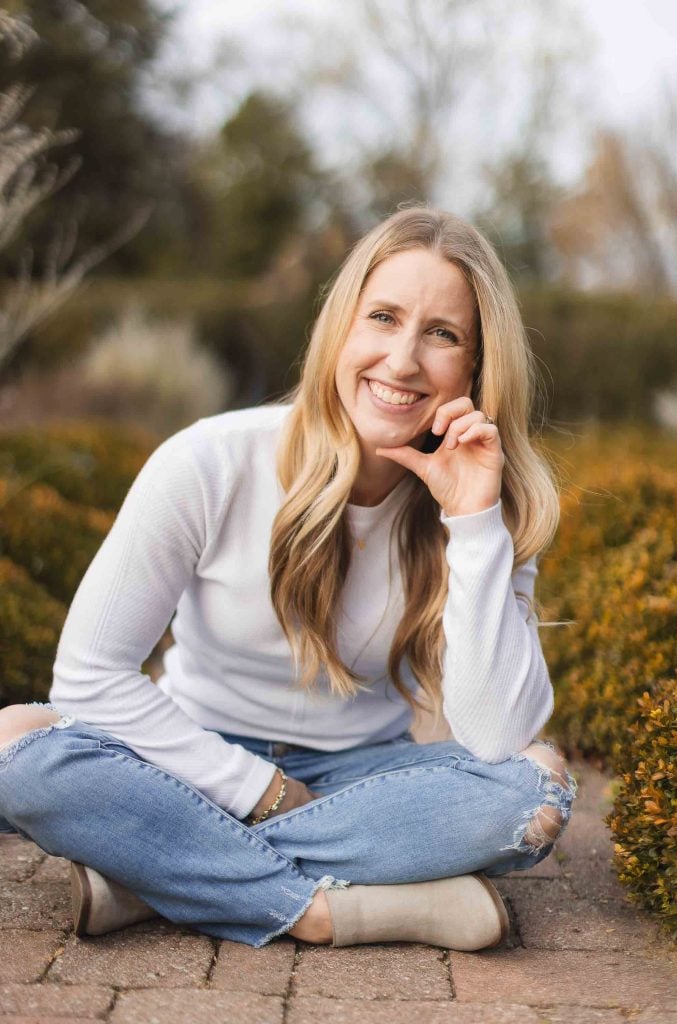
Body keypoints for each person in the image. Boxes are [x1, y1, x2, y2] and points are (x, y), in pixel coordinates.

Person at [0, 206, 577, 952]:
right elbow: (88, 677)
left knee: (535, 787)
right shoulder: (209, 460)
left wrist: (471, 524)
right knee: (18, 746)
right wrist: (258, 794)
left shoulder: (485, 502)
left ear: (474, 366)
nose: (401, 360)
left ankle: (150, 878)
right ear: (341, 328)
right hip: (186, 757)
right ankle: (332, 911)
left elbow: (497, 735)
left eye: (441, 335)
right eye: (382, 317)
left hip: (361, 777)